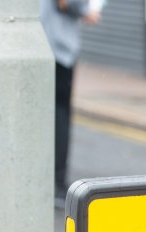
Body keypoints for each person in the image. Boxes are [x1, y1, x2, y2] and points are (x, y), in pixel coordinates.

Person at [39, 0, 101, 207]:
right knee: (59, 114)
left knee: (19, 112)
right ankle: (55, 184)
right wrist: (86, 10)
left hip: (23, 42)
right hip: (55, 46)